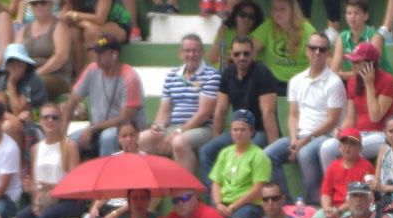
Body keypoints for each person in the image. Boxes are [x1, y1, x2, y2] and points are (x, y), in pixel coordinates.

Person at [263, 32, 345, 205]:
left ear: (328, 53)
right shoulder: (296, 80)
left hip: (324, 135)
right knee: (266, 156)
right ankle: (287, 204)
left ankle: (313, 203)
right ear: (307, 51)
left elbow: (332, 120)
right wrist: (294, 141)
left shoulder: (334, 82)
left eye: (322, 49)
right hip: (300, 136)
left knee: (305, 153)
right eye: (313, 48)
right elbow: (293, 114)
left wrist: (304, 141)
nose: (317, 52)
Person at [201, 36, 280, 183]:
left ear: (253, 54)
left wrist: (273, 146)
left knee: (244, 154)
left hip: (259, 131)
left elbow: (268, 112)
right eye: (237, 54)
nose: (242, 57)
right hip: (237, 131)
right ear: (231, 54)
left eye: (246, 53)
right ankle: (214, 198)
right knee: (206, 151)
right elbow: (221, 110)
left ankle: (241, 197)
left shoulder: (263, 72)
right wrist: (216, 138)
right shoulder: (228, 74)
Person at [138, 34, 220, 177]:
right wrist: (158, 127)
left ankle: (187, 193)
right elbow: (164, 111)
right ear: (180, 53)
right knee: (139, 140)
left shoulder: (212, 75)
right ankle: (151, 189)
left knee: (179, 142)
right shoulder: (172, 75)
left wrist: (178, 132)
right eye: (187, 50)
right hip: (174, 128)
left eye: (195, 50)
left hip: (202, 128)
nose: (191, 54)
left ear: (202, 52)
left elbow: (204, 114)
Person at [61, 34, 146, 158]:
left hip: (125, 130)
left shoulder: (129, 77)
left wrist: (93, 128)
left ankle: (108, 174)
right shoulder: (91, 70)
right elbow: (71, 103)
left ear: (114, 54)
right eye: (96, 53)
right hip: (97, 128)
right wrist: (62, 136)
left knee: (108, 137)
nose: (96, 57)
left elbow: (125, 119)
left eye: (101, 53)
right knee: (71, 142)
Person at [318, 42, 393, 166]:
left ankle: (354, 183)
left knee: (353, 149)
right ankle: (334, 184)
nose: (353, 66)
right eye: (352, 62)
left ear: (370, 65)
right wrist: (341, 131)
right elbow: (350, 118)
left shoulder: (388, 81)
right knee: (327, 147)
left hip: (380, 135)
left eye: (357, 62)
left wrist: (369, 84)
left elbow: (375, 116)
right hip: (358, 133)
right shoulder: (352, 81)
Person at [209, 110, 271, 218]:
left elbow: (258, 189)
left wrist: (233, 206)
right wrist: (218, 204)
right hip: (223, 203)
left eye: (243, 129)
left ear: (251, 131)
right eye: (235, 129)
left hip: (249, 205)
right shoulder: (225, 153)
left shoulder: (259, 156)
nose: (238, 133)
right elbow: (216, 182)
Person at [306, 133, 377, 218]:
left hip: (353, 209)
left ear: (360, 148)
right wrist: (327, 209)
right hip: (333, 208)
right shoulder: (333, 166)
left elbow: (360, 198)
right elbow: (326, 192)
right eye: (344, 144)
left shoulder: (366, 167)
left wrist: (338, 211)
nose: (347, 147)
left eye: (352, 144)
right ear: (339, 147)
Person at [15, 102, 83, 218]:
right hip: (43, 199)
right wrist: (34, 199)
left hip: (68, 200)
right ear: (40, 121)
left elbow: (76, 185)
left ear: (60, 121)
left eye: (54, 117)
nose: (50, 120)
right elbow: (35, 183)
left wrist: (52, 188)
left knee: (45, 217)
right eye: (46, 117)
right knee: (22, 217)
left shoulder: (69, 146)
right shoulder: (35, 149)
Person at [59, 0, 131, 72]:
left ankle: (94, 75)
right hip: (92, 24)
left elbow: (100, 18)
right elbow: (65, 15)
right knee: (73, 32)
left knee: (90, 31)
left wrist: (76, 16)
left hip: (118, 27)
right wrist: (82, 22)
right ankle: (79, 74)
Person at [251, 0, 316, 95]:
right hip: (275, 82)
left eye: (282, 9)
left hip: (302, 82)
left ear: (293, 11)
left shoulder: (307, 29)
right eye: (275, 9)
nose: (278, 13)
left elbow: (318, 54)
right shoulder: (269, 25)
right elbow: (250, 47)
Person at [19, 0, 72, 99]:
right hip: (28, 75)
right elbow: (16, 53)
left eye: (42, 2)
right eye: (34, 3)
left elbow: (60, 56)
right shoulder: (25, 29)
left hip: (56, 76)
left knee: (36, 84)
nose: (39, 6)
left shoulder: (59, 26)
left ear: (51, 4)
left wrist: (37, 74)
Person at [334, 0, 393, 84]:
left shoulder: (375, 36)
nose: (352, 16)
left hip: (381, 83)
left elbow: (368, 72)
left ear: (365, 16)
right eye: (349, 13)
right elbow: (334, 70)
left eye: (356, 13)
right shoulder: (342, 37)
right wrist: (337, 75)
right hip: (356, 83)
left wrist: (341, 75)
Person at [0, 43, 47, 146]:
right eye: (11, 62)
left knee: (8, 127)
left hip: (36, 125)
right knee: (2, 126)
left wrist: (11, 84)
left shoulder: (33, 80)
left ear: (25, 64)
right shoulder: (3, 79)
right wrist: (15, 119)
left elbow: (18, 109)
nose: (15, 65)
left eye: (18, 61)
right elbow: (0, 111)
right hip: (14, 122)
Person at [207, 0, 263, 67]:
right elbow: (212, 59)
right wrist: (219, 37)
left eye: (251, 17)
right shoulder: (225, 31)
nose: (246, 18)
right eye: (242, 14)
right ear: (235, 15)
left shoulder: (256, 37)